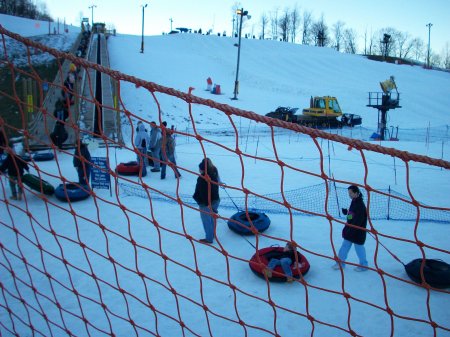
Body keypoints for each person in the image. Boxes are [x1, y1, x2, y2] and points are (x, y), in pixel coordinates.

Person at [333, 185, 368, 271]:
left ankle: (364, 265)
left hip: (357, 232)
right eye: (349, 193)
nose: (349, 195)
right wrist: (347, 213)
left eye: (351, 193)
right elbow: (352, 215)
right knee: (345, 246)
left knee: (359, 248)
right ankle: (340, 263)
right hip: (351, 230)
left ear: (356, 193)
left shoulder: (360, 204)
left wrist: (351, 230)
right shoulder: (354, 201)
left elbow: (358, 220)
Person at [193, 158, 220, 244]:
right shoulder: (214, 171)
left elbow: (203, 192)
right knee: (212, 218)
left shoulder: (202, 179)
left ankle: (209, 238)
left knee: (207, 220)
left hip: (207, 203)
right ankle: (212, 234)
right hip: (216, 199)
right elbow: (218, 181)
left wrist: (206, 203)